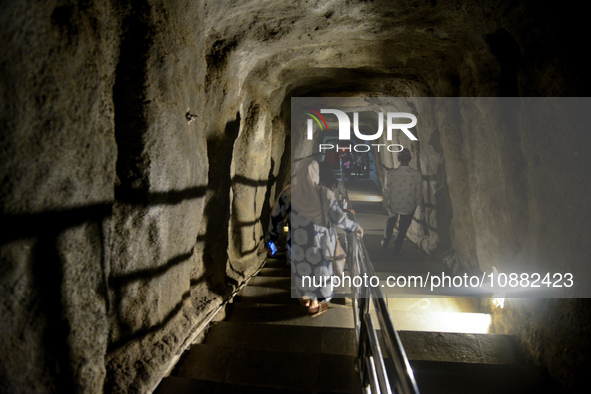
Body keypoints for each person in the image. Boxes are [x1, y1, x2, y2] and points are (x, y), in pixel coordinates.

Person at [290, 158, 363, 316]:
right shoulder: (325, 193)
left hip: (298, 245)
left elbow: (275, 218)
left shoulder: (289, 193)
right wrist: (355, 227)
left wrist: (271, 242)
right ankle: (316, 302)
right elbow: (339, 219)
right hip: (321, 245)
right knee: (321, 274)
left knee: (303, 272)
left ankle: (307, 299)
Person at [381, 148, 423, 255]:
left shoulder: (391, 174)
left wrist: (385, 203)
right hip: (409, 205)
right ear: (410, 159)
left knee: (390, 221)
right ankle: (397, 247)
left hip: (394, 204)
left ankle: (385, 241)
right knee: (403, 228)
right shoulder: (416, 174)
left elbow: (386, 190)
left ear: (398, 159)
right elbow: (419, 191)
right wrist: (417, 203)